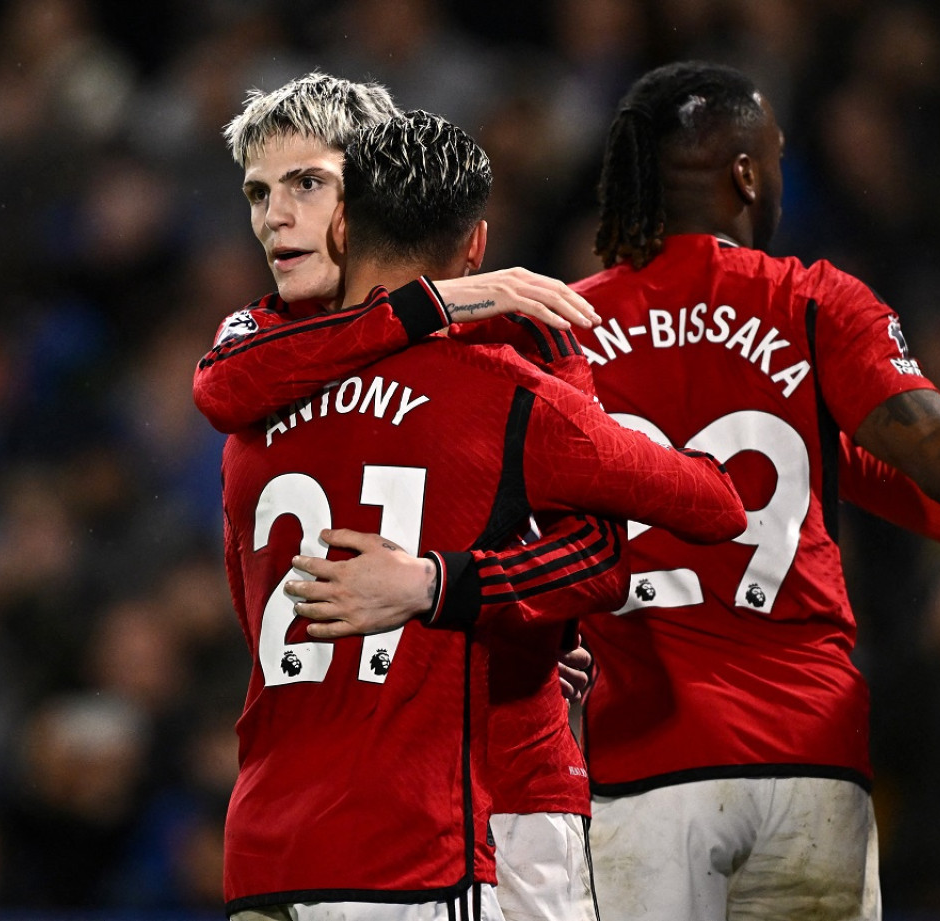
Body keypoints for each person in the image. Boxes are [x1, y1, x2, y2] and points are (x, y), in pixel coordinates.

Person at [279, 62, 940, 920]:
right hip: (807, 753)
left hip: (640, 768)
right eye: (771, 156)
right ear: (743, 173)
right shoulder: (812, 302)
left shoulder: (553, 326)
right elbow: (937, 464)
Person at [218, 108, 746, 921]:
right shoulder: (508, 390)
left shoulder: (257, 395)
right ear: (476, 247)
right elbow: (710, 505)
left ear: (347, 225)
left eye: (302, 187)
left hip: (270, 837)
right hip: (436, 824)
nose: (274, 218)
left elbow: (247, 568)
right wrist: (453, 585)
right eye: (261, 193)